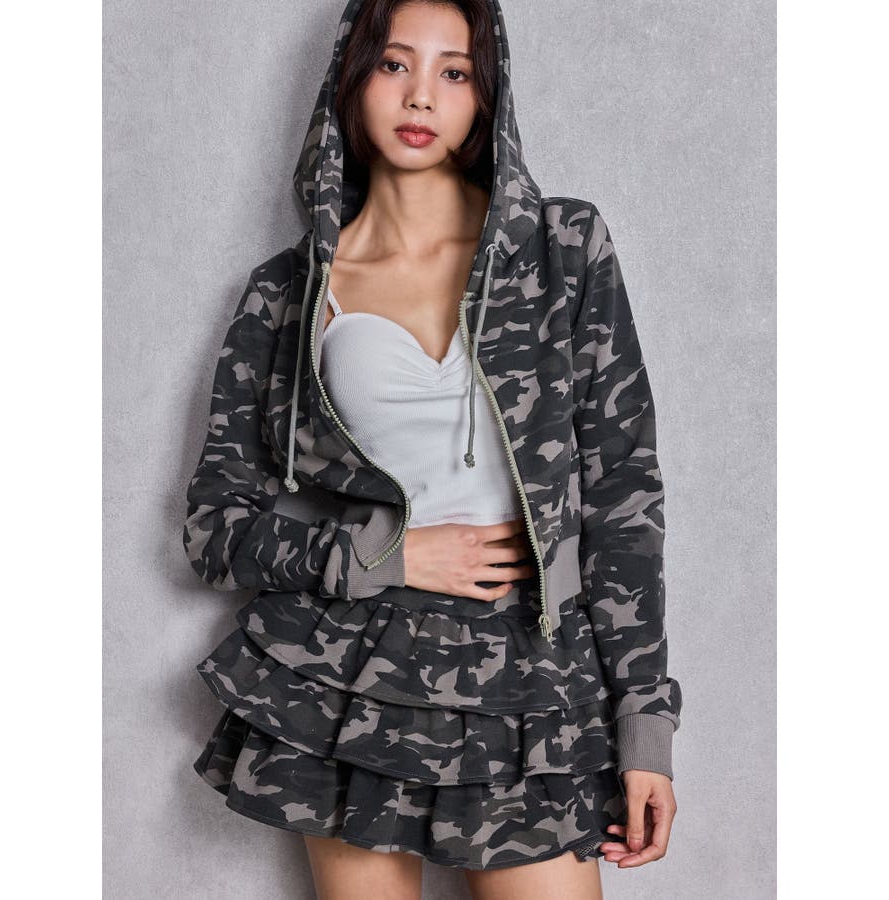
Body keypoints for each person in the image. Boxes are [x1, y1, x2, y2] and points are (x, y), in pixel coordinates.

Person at [183, 1, 682, 897]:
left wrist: (646, 726)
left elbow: (623, 495)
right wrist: (388, 554)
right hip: (352, 677)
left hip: (536, 673)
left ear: (486, 95)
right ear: (351, 79)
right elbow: (215, 529)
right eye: (394, 64)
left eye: (454, 71)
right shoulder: (290, 295)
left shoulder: (563, 249)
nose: (421, 96)